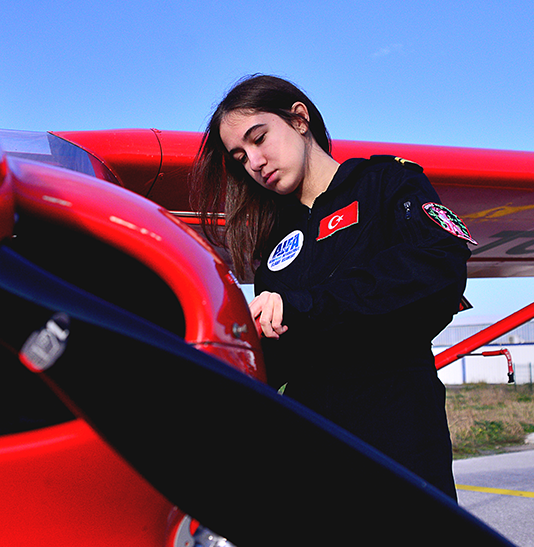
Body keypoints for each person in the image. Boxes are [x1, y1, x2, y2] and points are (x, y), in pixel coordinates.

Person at [191, 74, 473, 500]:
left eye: (259, 138)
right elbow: (276, 362)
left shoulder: (386, 185)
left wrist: (306, 304)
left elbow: (438, 265)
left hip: (399, 443)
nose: (254, 161)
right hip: (316, 460)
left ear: (299, 119)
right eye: (239, 155)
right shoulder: (275, 248)